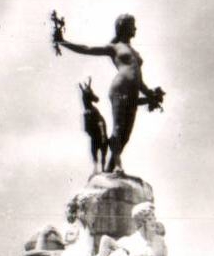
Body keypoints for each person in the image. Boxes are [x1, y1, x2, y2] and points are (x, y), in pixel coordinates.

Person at [55, 14, 163, 172]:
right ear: (123, 26)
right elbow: (87, 49)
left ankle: (109, 170)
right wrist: (63, 42)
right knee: (119, 129)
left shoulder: (134, 51)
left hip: (133, 91)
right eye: (132, 24)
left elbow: (140, 81)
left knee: (125, 137)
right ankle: (117, 167)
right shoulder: (114, 47)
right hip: (120, 88)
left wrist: (151, 95)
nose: (135, 28)